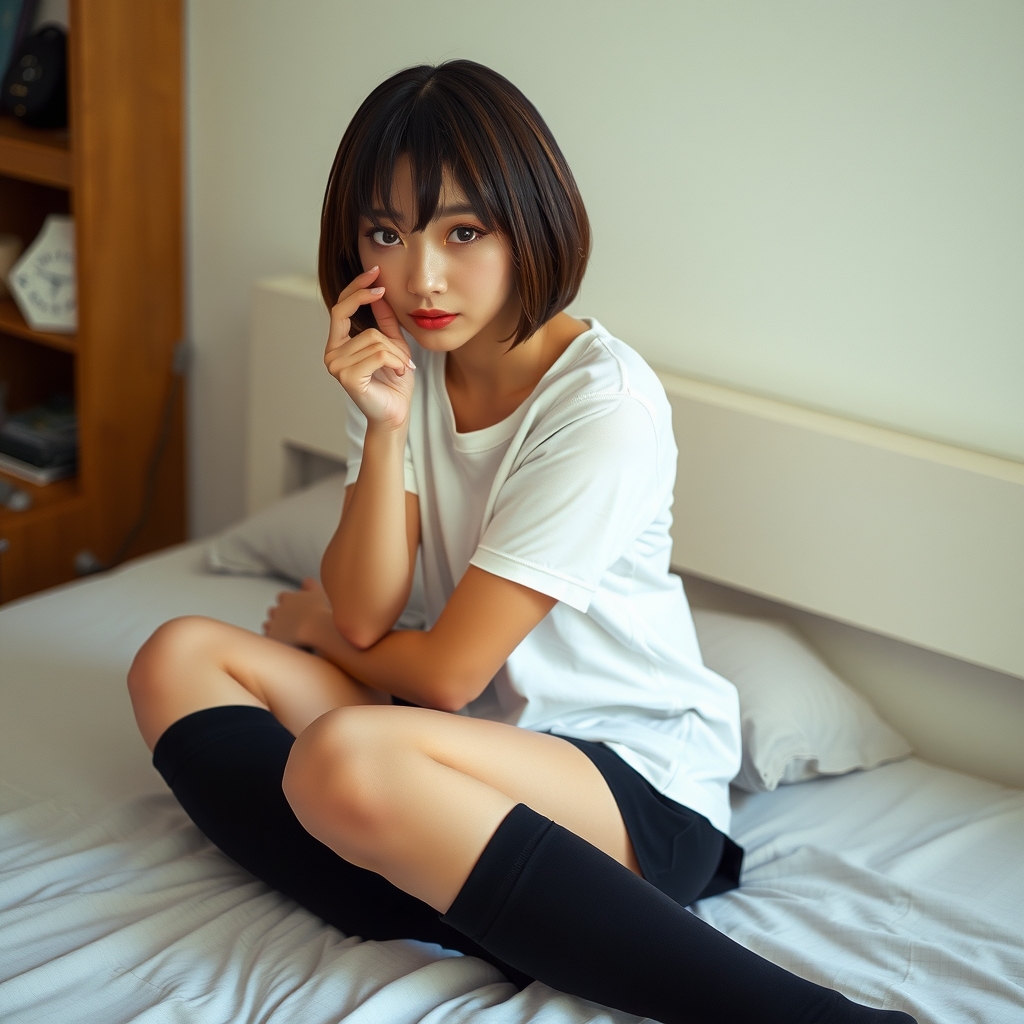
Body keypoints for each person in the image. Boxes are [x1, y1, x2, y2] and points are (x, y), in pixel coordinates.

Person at [127, 60, 915, 1024]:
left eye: (464, 231)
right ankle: (475, 892)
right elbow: (370, 606)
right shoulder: (401, 362)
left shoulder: (603, 402)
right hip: (452, 742)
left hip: (625, 781)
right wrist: (380, 425)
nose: (423, 277)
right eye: (388, 233)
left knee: (342, 759)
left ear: (530, 220)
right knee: (175, 657)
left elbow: (445, 672)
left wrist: (320, 633)